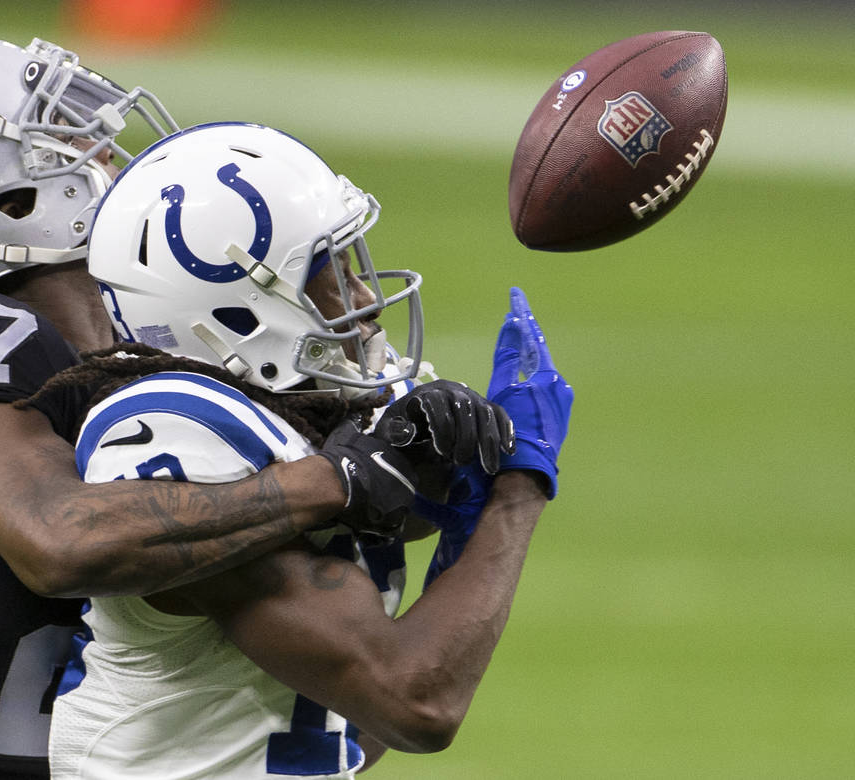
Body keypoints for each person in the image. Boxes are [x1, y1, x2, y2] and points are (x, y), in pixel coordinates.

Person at [0, 38, 508, 778]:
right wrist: (334, 480)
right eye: (68, 136)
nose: (107, 150)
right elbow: (56, 540)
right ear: (8, 199)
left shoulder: (153, 349)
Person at [40, 122, 572, 778]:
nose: (366, 297)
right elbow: (415, 702)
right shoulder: (183, 435)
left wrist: (458, 510)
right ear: (242, 309)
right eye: (334, 270)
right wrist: (516, 496)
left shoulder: (298, 418)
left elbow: (343, 733)